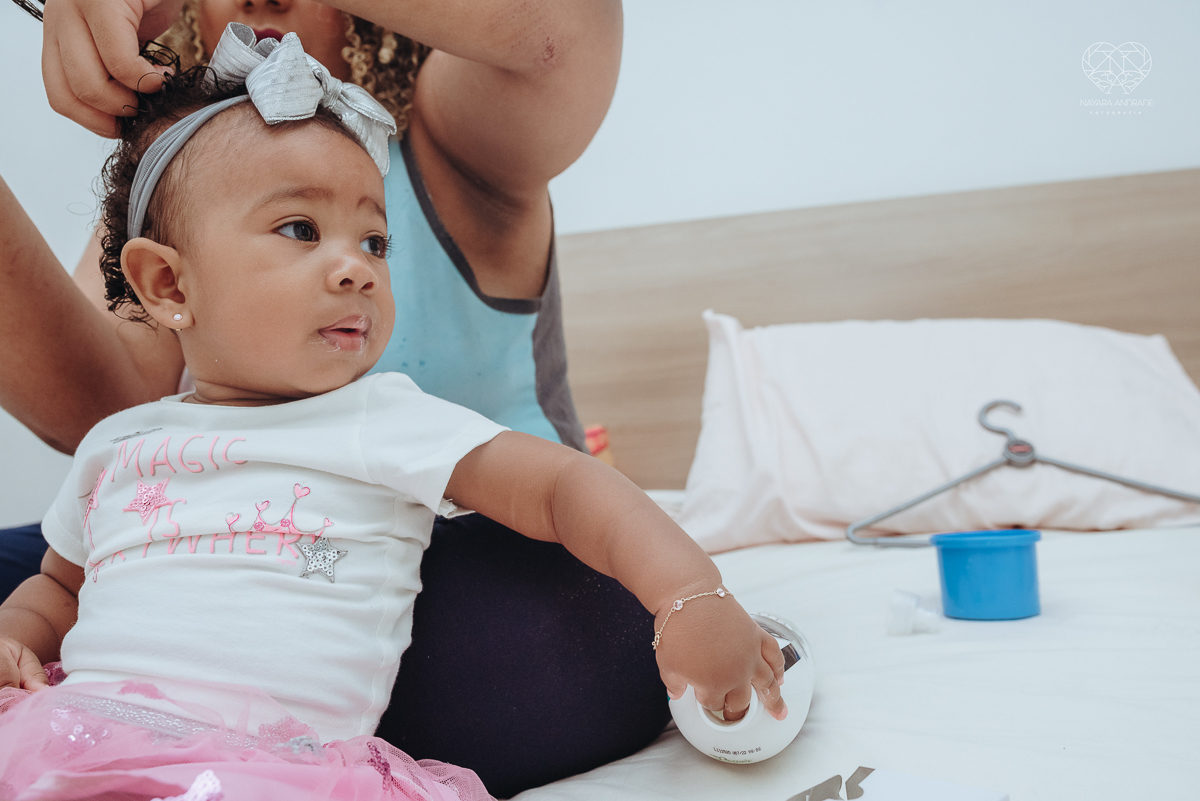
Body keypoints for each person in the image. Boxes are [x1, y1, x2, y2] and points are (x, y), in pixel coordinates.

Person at [0, 29, 788, 798]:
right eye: (300, 229)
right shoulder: (121, 443)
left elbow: (561, 487)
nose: (357, 268)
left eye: (375, 241)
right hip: (80, 739)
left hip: (271, 769)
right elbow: (59, 588)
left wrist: (691, 591)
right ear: (169, 286)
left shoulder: (381, 418)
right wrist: (14, 636)